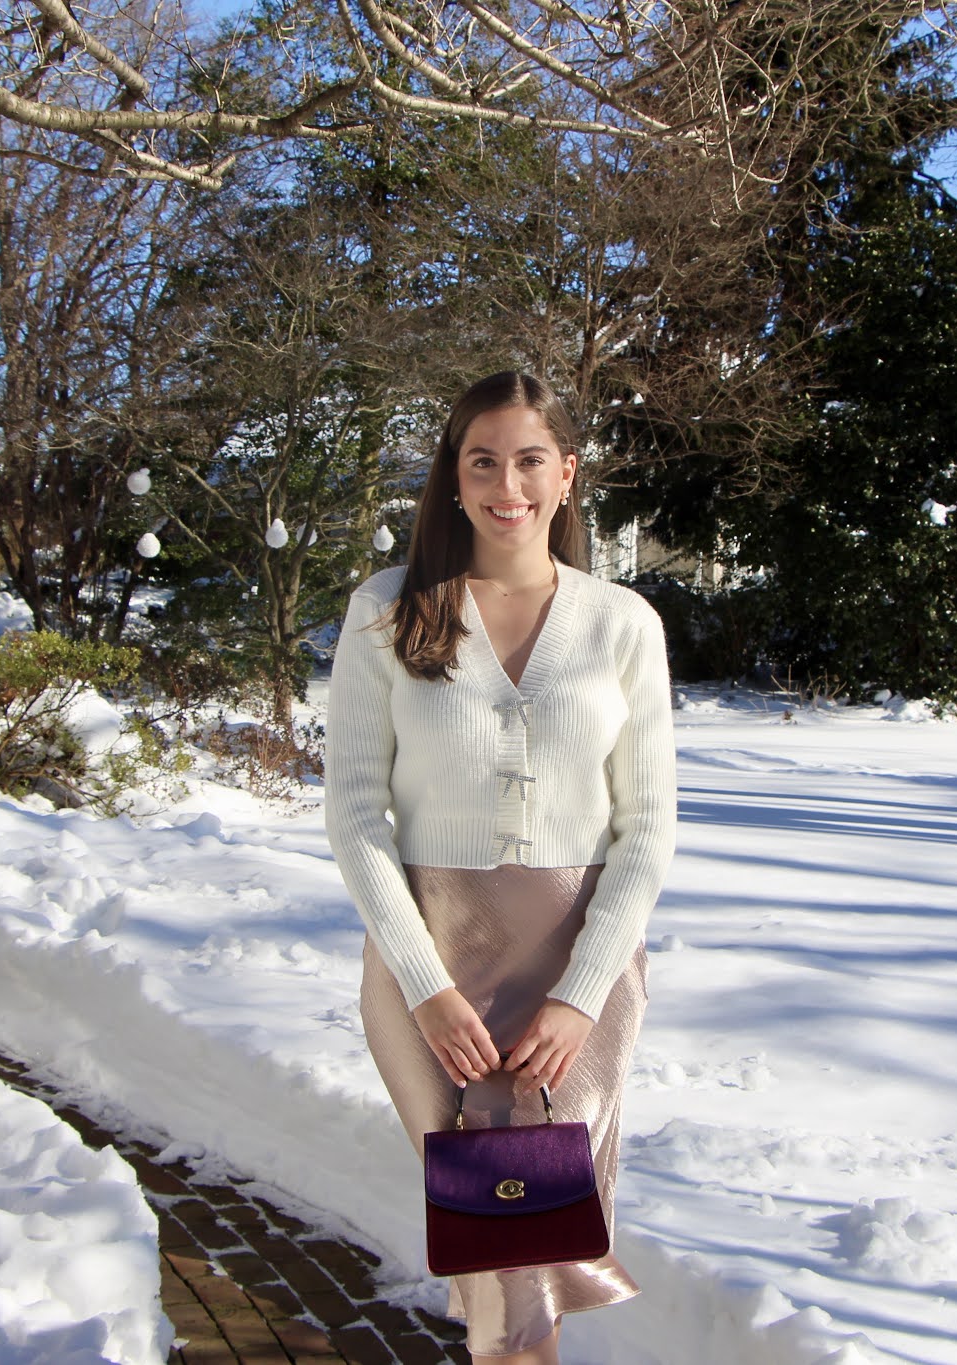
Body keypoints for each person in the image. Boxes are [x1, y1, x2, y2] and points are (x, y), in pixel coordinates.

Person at [325, 371, 677, 1363]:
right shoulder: (387, 609)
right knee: (499, 1252)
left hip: (578, 974)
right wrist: (424, 985)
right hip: (432, 968)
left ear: (567, 475)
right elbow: (353, 814)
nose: (506, 485)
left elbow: (648, 830)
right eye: (482, 461)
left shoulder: (621, 623)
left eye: (529, 460)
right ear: (453, 475)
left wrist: (579, 996)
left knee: (530, 1251)